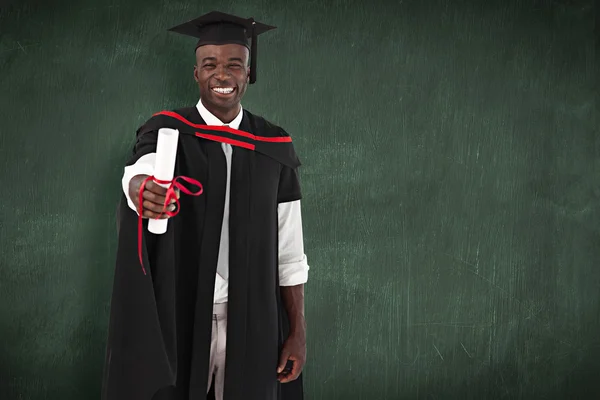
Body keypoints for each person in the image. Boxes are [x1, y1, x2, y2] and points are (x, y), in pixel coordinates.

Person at [102, 11, 309, 400]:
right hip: (181, 311)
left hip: (253, 318)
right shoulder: (166, 131)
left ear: (248, 73)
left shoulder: (274, 146)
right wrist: (141, 187)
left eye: (234, 63)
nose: (222, 74)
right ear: (196, 73)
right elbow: (139, 170)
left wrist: (297, 331)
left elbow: (290, 250)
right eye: (209, 64)